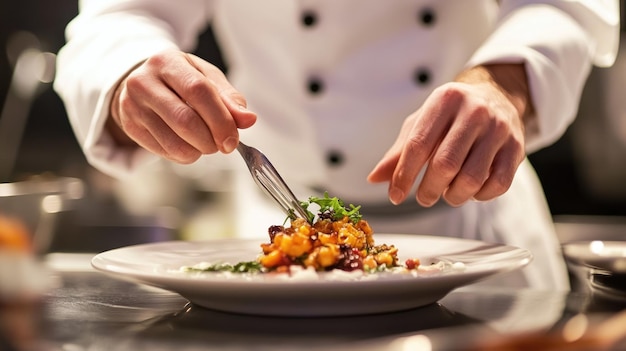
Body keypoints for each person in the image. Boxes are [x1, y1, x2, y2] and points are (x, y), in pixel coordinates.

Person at [53, 1, 619, 290]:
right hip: (274, 245)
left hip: (483, 231)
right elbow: (119, 15)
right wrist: (130, 71)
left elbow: (567, 4)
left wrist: (504, 83)